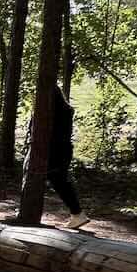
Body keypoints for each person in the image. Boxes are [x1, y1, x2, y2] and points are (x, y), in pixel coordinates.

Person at [48, 84, 87, 229]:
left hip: (54, 150)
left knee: (58, 181)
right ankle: (77, 213)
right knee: (60, 181)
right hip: (64, 149)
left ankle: (77, 213)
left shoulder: (52, 111)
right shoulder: (66, 110)